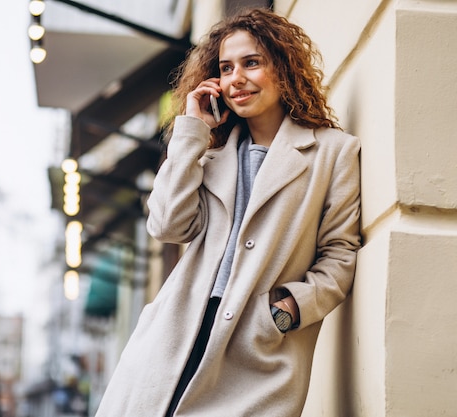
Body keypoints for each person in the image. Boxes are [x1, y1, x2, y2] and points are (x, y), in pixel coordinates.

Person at [95, 7, 361, 417]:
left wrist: (288, 309)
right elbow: (166, 225)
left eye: (251, 63)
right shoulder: (210, 156)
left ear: (284, 67)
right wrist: (190, 130)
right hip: (177, 336)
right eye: (225, 67)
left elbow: (340, 254)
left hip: (256, 348)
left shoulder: (332, 153)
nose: (236, 78)